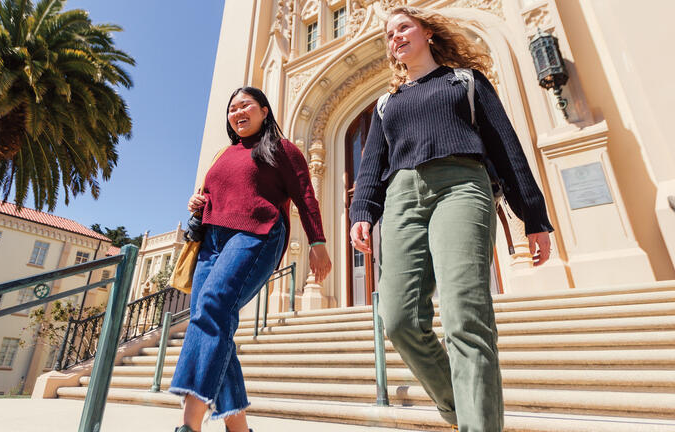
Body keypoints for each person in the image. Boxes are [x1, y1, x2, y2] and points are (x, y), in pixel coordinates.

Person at [349, 7, 553, 432]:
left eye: (403, 27)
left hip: (461, 185)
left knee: (465, 315)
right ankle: (462, 407)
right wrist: (362, 211)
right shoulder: (387, 103)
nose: (395, 37)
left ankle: (478, 424)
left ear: (427, 32)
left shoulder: (465, 82)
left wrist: (532, 216)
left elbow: (507, 148)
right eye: (389, 34)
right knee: (400, 318)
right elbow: (371, 165)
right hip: (403, 197)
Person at [171, 86, 332, 432]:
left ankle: (189, 425)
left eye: (245, 105)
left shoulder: (281, 149)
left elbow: (306, 197)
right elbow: (210, 193)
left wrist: (317, 241)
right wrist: (196, 202)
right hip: (211, 241)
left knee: (212, 307)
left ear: (263, 110)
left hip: (257, 233)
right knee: (209, 319)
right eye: (232, 108)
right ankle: (239, 429)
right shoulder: (223, 154)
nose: (238, 112)